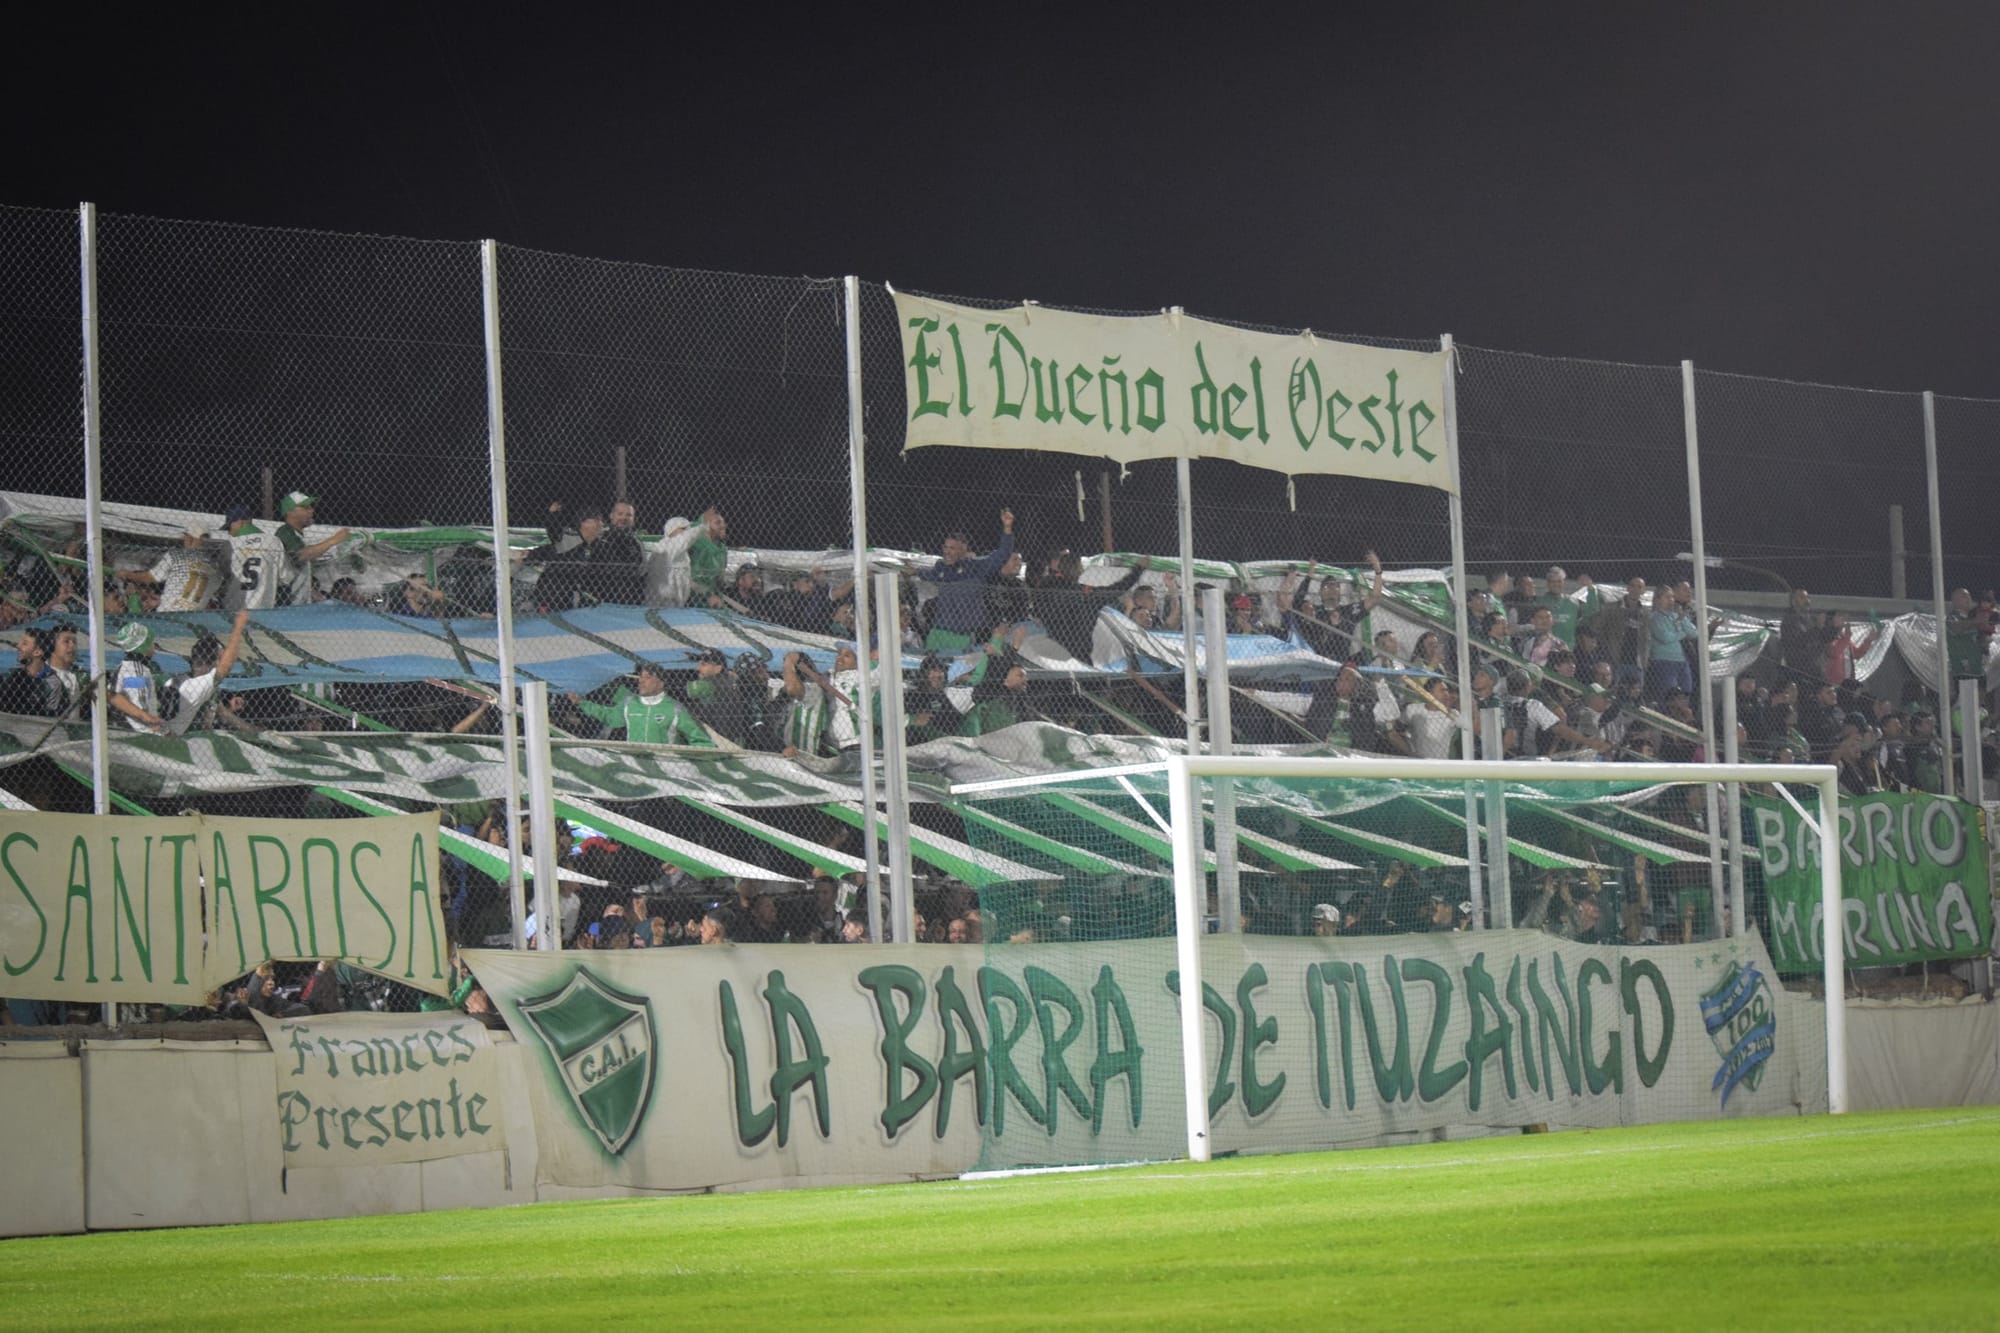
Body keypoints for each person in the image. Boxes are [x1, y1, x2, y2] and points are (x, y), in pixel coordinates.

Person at [919, 509, 1014, 653]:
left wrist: (1007, 528)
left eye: (952, 548)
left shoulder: (977, 567)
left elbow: (1002, 555)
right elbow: (923, 573)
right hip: (937, 633)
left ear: (963, 549)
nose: (947, 551)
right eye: (945, 547)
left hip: (962, 636)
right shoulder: (940, 569)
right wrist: (908, 571)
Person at [566, 661, 709, 745]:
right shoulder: (629, 702)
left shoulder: (675, 708)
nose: (641, 680)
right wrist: (581, 703)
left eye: (647, 677)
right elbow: (610, 717)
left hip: (666, 769)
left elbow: (699, 739)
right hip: (636, 767)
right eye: (640, 677)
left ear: (660, 683)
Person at [159, 609, 253, 734]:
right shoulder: (195, 684)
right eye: (220, 659)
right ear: (212, 663)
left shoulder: (199, 685)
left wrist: (258, 732)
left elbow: (222, 714)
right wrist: (239, 626)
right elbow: (226, 666)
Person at [118, 522, 224, 613]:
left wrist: (127, 574)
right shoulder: (216, 569)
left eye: (185, 536)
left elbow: (150, 577)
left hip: (168, 613)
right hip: (194, 617)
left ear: (190, 538)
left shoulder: (176, 555)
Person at [274, 491, 352, 605]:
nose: (312, 510)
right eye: (306, 507)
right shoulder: (285, 531)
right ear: (290, 512)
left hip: (297, 604)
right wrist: (334, 540)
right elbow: (301, 555)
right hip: (288, 604)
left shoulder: (297, 536)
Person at [109, 621, 166, 732]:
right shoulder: (136, 672)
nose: (154, 647)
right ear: (143, 645)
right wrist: (151, 730)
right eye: (151, 642)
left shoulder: (127, 667)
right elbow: (139, 704)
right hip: (142, 733)